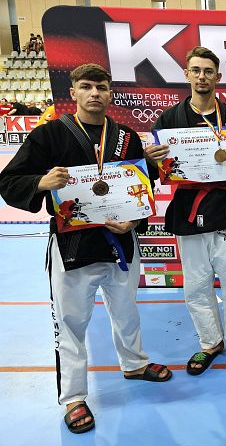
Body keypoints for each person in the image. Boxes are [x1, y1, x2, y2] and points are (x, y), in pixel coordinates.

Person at [0, 63, 172, 434]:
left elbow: (139, 187)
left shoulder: (126, 136)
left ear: (110, 93)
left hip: (121, 240)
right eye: (87, 86)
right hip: (73, 244)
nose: (95, 93)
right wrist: (41, 182)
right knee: (70, 323)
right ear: (73, 92)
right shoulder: (49, 135)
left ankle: (135, 364)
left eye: (101, 87)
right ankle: (74, 397)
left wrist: (135, 221)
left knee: (127, 311)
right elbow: (9, 181)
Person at [145, 46, 226, 376]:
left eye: (208, 71)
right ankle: (210, 343)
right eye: (196, 70)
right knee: (196, 285)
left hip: (225, 208)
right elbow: (155, 171)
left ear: (217, 77)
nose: (202, 76)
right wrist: (151, 159)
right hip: (188, 210)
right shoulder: (169, 120)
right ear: (187, 74)